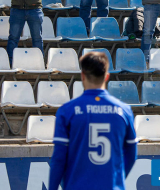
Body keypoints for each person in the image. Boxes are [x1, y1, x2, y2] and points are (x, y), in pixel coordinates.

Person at [49, 52, 137, 190]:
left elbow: (59, 159)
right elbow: (131, 154)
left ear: (82, 76)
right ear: (107, 76)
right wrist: (116, 180)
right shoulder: (124, 111)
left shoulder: (67, 111)